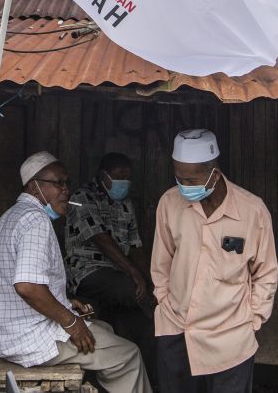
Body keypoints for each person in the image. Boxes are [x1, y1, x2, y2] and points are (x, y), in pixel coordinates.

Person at [0, 151, 151, 393]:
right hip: (30, 339)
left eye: (67, 183)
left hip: (7, 334)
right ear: (34, 187)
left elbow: (28, 282)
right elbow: (27, 287)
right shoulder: (35, 222)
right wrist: (71, 322)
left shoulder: (12, 216)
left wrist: (65, 303)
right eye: (58, 183)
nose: (66, 190)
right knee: (128, 355)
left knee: (104, 329)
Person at [151, 129, 278, 392]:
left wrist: (253, 319)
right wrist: (164, 301)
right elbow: (161, 262)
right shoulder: (169, 203)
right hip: (176, 330)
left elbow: (265, 272)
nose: (184, 185)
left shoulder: (252, 211)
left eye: (191, 179)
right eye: (179, 178)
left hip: (230, 339)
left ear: (214, 173)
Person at [64, 152, 156, 383]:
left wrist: (150, 280)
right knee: (129, 289)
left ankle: (153, 382)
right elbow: (101, 239)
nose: (124, 182)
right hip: (88, 272)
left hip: (118, 276)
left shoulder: (125, 203)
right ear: (103, 176)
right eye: (118, 177)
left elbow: (135, 245)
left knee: (142, 329)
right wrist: (135, 274)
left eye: (128, 177)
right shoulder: (81, 198)